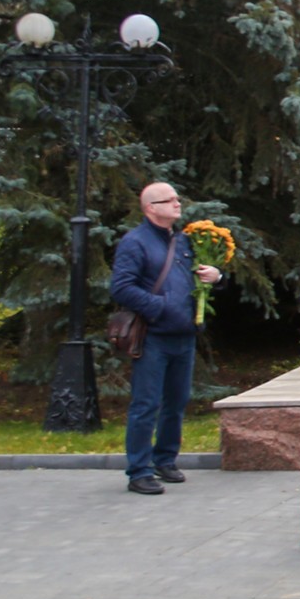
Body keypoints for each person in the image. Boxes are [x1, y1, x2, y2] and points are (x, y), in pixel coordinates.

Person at [110, 183, 225, 495]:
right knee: (146, 404)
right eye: (169, 200)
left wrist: (215, 277)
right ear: (151, 208)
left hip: (184, 335)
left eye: (177, 198)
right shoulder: (135, 242)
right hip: (153, 336)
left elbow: (198, 279)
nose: (177, 204)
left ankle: (165, 459)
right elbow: (121, 287)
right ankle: (139, 470)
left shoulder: (184, 240)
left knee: (176, 402)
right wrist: (159, 308)